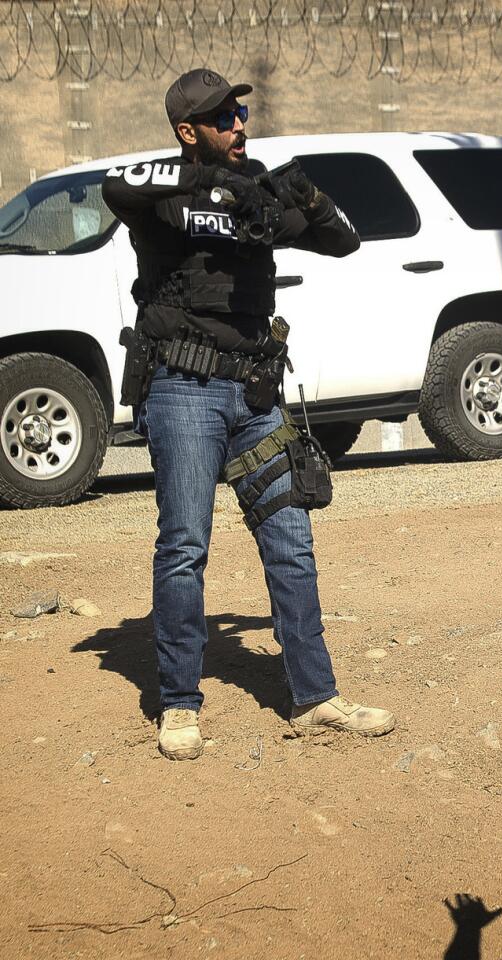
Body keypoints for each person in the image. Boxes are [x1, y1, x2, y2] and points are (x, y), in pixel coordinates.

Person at [102, 68, 394, 760]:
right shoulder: (162, 193)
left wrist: (305, 194)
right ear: (188, 130)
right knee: (184, 547)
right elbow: (118, 187)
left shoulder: (256, 191)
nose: (239, 125)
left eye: (240, 113)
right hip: (183, 392)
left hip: (256, 394)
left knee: (290, 542)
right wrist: (218, 193)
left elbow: (342, 239)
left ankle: (315, 697)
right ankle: (178, 704)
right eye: (223, 117)